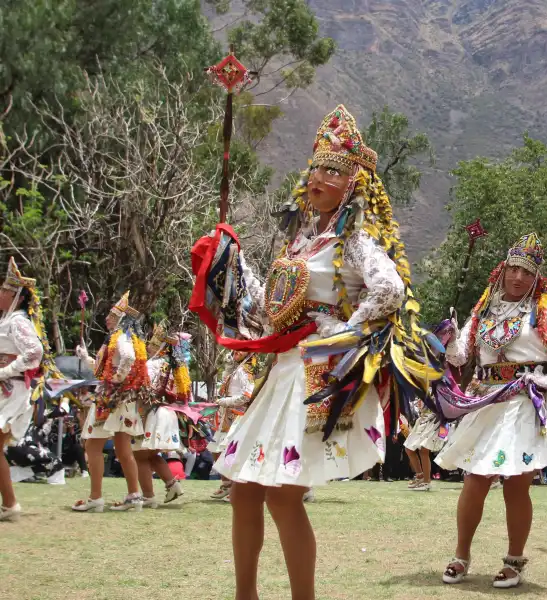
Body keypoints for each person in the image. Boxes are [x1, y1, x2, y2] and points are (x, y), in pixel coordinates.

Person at [190, 105, 439, 600]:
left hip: (312, 373)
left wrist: (340, 330)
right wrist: (231, 264)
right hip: (280, 369)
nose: (319, 177)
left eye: (333, 170)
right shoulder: (302, 240)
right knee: (243, 489)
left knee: (282, 496)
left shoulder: (357, 238)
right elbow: (269, 310)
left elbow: (389, 290)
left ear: (353, 184)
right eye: (316, 168)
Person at [436, 233, 547, 588]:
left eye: (526, 272)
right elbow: (462, 358)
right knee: (474, 480)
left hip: (524, 402)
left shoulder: (545, 310)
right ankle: (461, 555)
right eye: (513, 269)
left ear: (536, 277)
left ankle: (514, 560)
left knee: (515, 486)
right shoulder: (483, 310)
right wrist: (450, 338)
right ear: (503, 270)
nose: (518, 277)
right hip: (487, 401)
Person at [73, 292, 148, 512]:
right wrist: (85, 357)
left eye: (111, 315)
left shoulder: (121, 338)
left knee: (93, 445)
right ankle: (134, 496)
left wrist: (116, 381)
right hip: (122, 398)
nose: (107, 318)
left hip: (111, 397)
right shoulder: (118, 339)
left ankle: (96, 498)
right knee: (123, 449)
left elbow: (128, 359)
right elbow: (102, 368)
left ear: (120, 319)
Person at [0, 258, 44, 521]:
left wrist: (5, 371)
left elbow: (34, 351)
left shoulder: (17, 320)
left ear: (15, 295)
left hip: (11, 390)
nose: (0, 293)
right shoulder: (8, 320)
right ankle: (9, 504)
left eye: (4, 290)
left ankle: (11, 504)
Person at [131, 321, 190, 508]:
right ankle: (172, 485)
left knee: (140, 456)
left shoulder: (153, 364)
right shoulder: (172, 366)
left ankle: (148, 496)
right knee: (150, 455)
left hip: (152, 413)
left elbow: (143, 389)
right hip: (166, 413)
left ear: (160, 346)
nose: (149, 346)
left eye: (153, 343)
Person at [208, 351, 255, 501]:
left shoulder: (246, 370)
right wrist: (228, 368)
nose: (236, 352)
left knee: (231, 452)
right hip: (226, 416)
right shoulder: (237, 368)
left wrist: (225, 401)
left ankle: (236, 488)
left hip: (238, 416)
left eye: (240, 349)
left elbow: (246, 396)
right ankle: (227, 485)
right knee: (216, 449)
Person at [404, 399, 451, 491]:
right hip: (422, 419)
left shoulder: (443, 386)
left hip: (436, 420)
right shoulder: (424, 388)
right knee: (408, 448)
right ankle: (420, 476)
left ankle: (427, 482)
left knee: (424, 450)